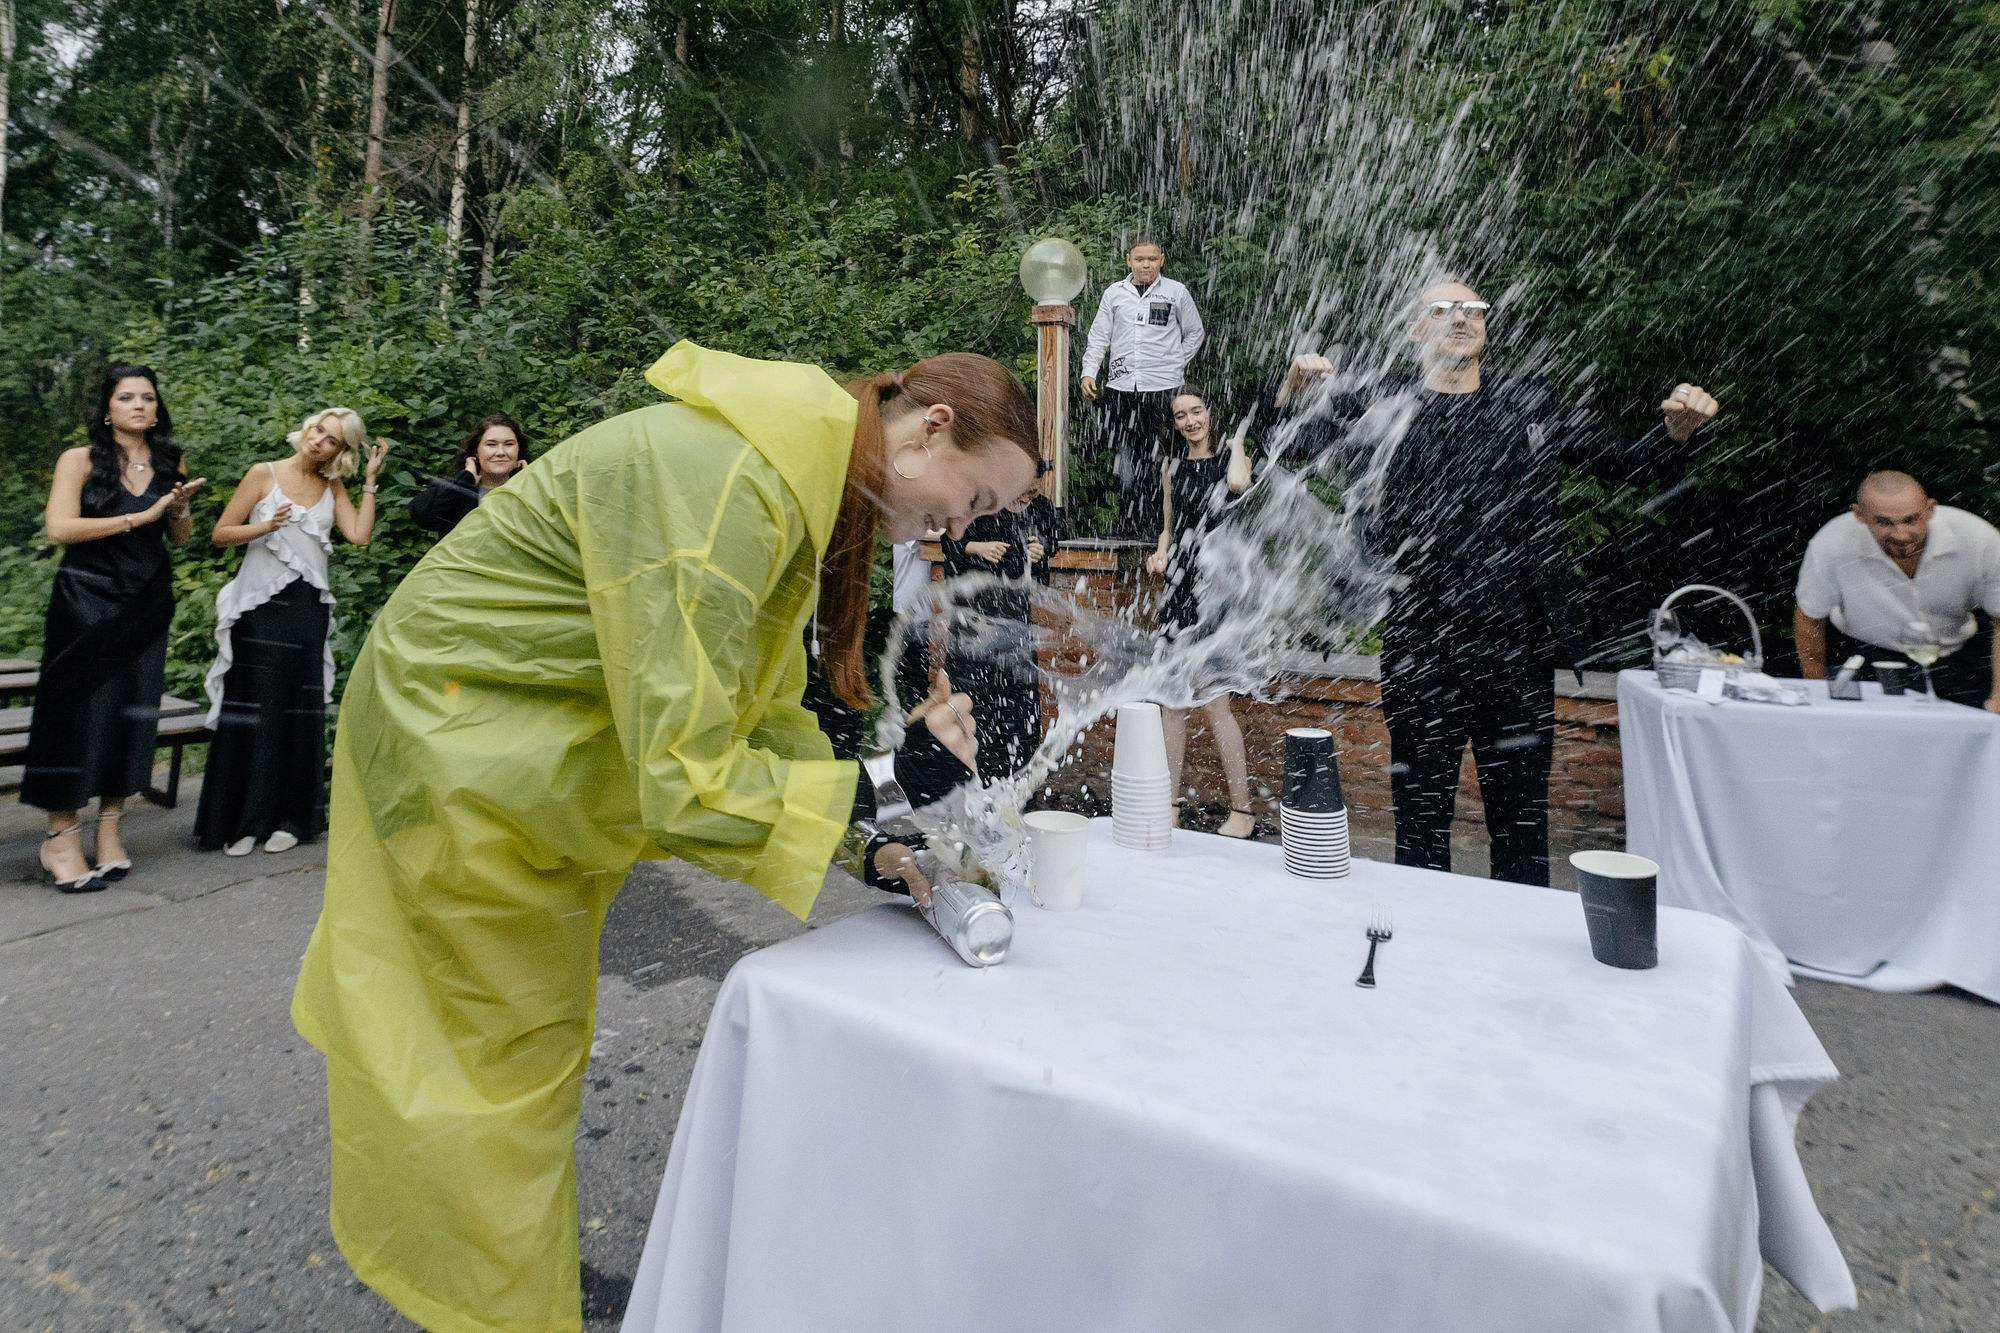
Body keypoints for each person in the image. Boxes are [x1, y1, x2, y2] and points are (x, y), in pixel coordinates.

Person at [289, 340, 1038, 1333]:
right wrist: (894, 776)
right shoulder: (735, 482)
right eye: (977, 498)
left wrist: (876, 837)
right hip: (461, 745)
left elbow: (757, 718)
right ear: (933, 426)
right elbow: (687, 775)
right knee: (492, 1075)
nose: (961, 527)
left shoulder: (785, 474)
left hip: (508, 743)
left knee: (513, 1058)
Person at [1263, 280, 1719, 885]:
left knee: (1522, 825)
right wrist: (1291, 396)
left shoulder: (1528, 404)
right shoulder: (1385, 408)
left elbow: (1629, 461)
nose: (1461, 317)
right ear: (1415, 330)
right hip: (1422, 646)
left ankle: (1523, 962)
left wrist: (1679, 434)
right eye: (1443, 309)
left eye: (1473, 309)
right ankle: (1423, 951)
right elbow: (1289, 450)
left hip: (1516, 649)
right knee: (1420, 820)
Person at [23, 366, 205, 891]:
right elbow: (59, 529)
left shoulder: (171, 461)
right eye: (126, 397)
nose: (139, 405)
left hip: (146, 602)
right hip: (85, 599)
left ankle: (108, 832)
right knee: (72, 713)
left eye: (148, 397)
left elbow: (182, 538)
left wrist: (179, 510)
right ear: (107, 408)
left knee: (130, 713)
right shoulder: (79, 460)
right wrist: (138, 517)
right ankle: (60, 837)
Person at [196, 409, 389, 856]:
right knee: (255, 707)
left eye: (333, 440)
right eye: (319, 430)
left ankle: (290, 819)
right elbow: (221, 533)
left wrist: (371, 480)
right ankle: (243, 822)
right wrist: (267, 526)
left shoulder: (332, 486)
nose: (320, 440)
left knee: (296, 712)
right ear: (308, 429)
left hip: (306, 610)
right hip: (259, 607)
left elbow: (358, 535)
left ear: (341, 452)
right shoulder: (262, 474)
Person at [1145, 386, 1256, 838]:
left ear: (1210, 414)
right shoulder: (1170, 468)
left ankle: (1243, 811)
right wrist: (1158, 555)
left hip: (1216, 592)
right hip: (1179, 589)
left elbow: (1238, 486)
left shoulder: (1235, 454)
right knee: (1170, 704)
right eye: (1181, 416)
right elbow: (1169, 528)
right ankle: (1168, 803)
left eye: (1196, 412)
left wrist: (1236, 445)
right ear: (1173, 424)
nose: (1190, 421)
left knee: (1215, 704)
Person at [1794, 471, 2000, 711]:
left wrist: (1998, 697)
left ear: (1931, 509)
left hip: (1957, 659)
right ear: (1859, 515)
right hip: (1866, 657)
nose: (1901, 534)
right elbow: (1810, 619)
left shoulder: (1979, 539)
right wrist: (1816, 693)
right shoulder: (1831, 543)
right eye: (1884, 522)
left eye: (1911, 520)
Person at [1079, 235, 1205, 534]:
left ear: (1161, 259)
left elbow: (1194, 333)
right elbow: (1099, 337)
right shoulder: (1114, 294)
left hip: (1164, 390)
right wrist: (1089, 372)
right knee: (1125, 457)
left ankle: (1165, 526)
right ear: (1128, 260)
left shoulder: (1176, 292)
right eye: (1140, 259)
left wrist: (1174, 363)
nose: (1146, 264)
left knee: (1163, 457)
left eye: (1152, 258)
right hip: (1122, 389)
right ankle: (1130, 524)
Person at [940, 474, 1062, 778]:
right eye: (1021, 494)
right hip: (973, 615)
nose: (1026, 501)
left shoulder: (1041, 508)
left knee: (1018, 699)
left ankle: (1014, 778)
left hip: (1014, 616)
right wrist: (977, 548)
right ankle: (970, 777)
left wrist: (1040, 552)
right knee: (974, 695)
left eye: (1032, 495)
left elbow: (1048, 552)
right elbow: (950, 544)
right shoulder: (978, 502)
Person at [409, 413, 531, 535]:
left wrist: (527, 485)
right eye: (491, 444)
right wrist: (466, 478)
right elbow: (422, 515)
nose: (500, 452)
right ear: (476, 451)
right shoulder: (458, 493)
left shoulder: (530, 490)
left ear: (519, 450)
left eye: (509, 444)